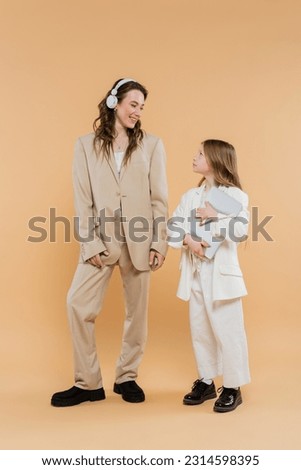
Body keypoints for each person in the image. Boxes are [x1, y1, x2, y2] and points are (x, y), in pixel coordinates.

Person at [51, 78, 168, 406]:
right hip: (101, 242)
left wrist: (160, 242)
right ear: (114, 102)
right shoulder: (84, 145)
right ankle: (88, 383)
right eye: (133, 104)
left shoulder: (153, 145)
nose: (138, 111)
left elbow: (159, 199)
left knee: (137, 314)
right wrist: (89, 243)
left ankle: (126, 377)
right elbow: (82, 198)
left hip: (141, 242)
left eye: (142, 107)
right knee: (77, 304)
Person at [168, 139, 250, 412]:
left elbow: (241, 230)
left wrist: (217, 216)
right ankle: (206, 381)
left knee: (228, 330)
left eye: (200, 153)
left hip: (221, 272)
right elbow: (173, 226)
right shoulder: (191, 195)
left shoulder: (235, 196)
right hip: (196, 271)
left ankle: (232, 386)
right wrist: (189, 241)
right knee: (200, 328)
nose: (194, 157)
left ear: (214, 160)